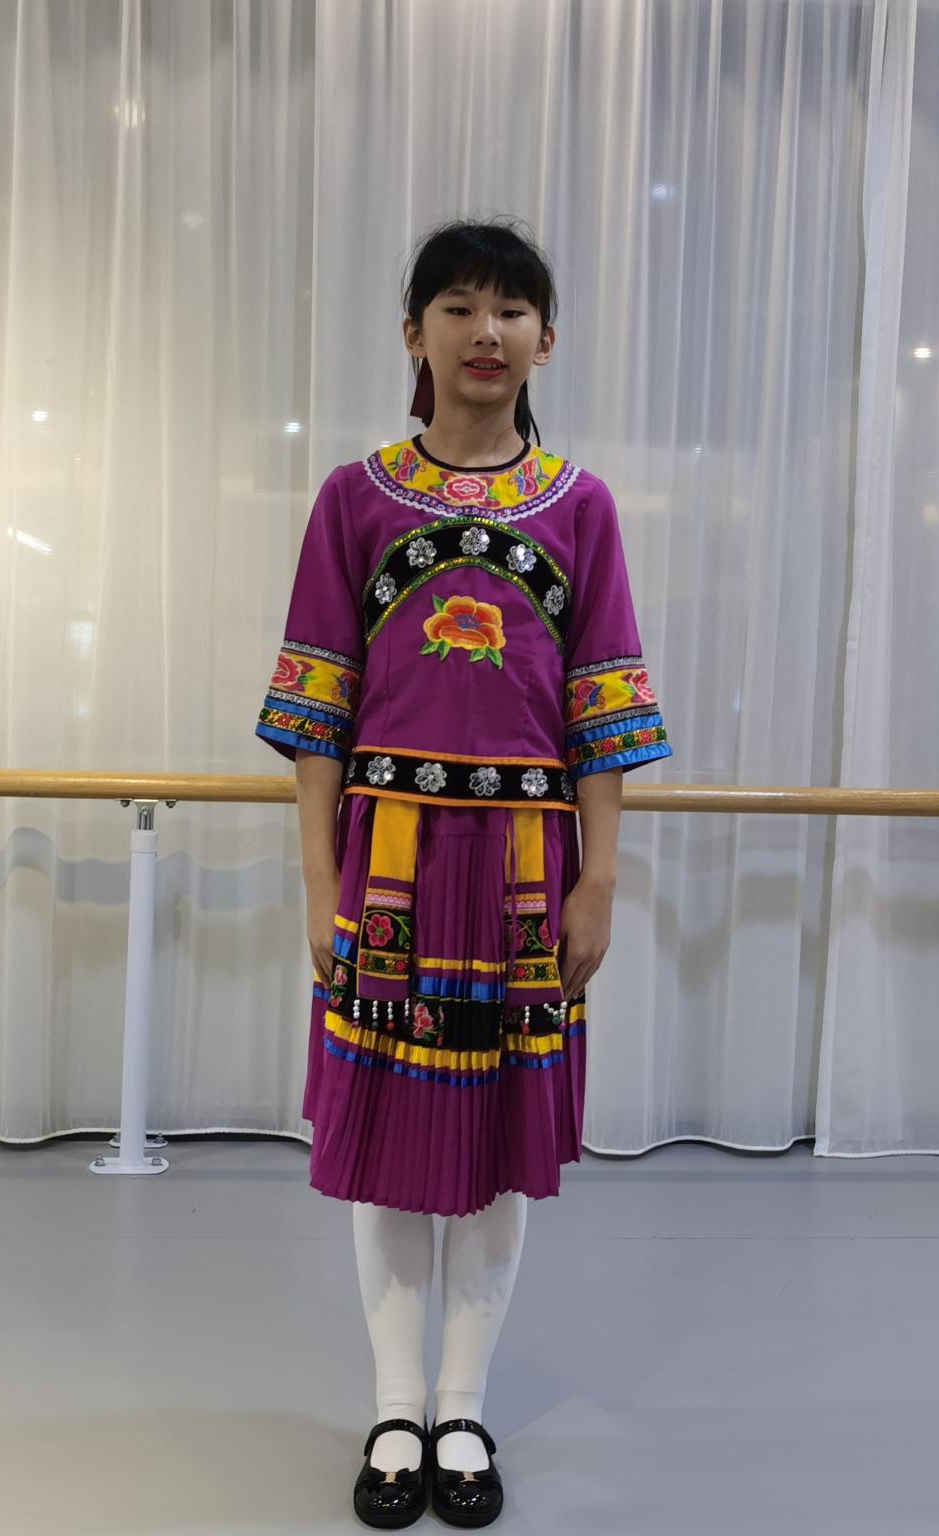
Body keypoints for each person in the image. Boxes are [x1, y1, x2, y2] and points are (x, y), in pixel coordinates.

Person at [254, 217, 672, 1528]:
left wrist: (598, 880)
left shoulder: (581, 508)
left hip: (526, 871)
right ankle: (396, 1407)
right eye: (457, 307)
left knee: (495, 1140)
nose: (485, 332)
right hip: (385, 861)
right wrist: (317, 880)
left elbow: (604, 710)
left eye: (511, 310)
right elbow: (318, 709)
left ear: (546, 340)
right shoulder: (355, 498)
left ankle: (465, 1404)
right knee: (387, 1137)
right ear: (414, 334)